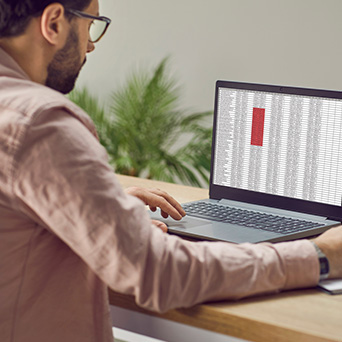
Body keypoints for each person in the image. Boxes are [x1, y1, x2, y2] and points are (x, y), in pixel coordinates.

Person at [0, 0, 341, 341]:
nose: (90, 44)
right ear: (54, 23)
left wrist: (101, 205)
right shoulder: (41, 125)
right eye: (91, 23)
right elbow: (158, 273)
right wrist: (320, 255)